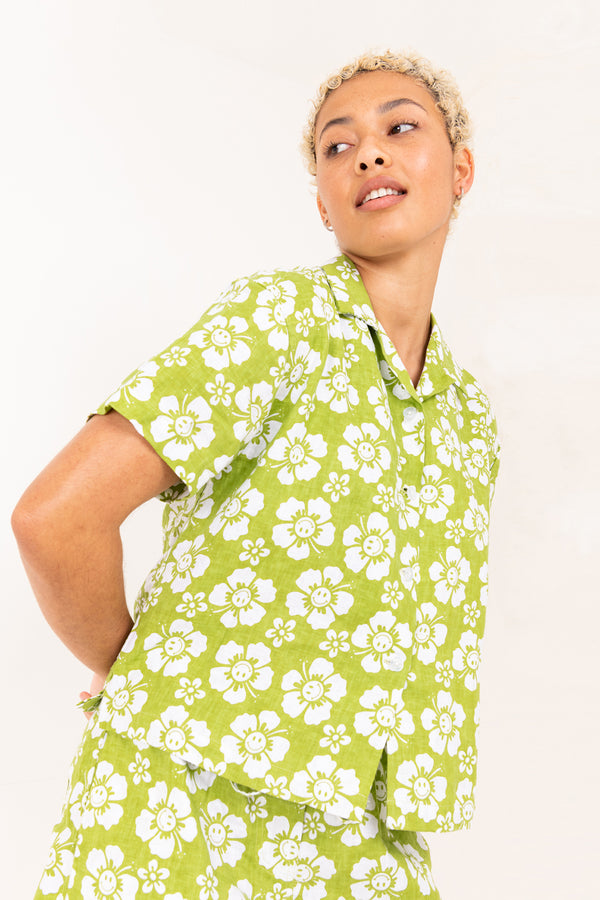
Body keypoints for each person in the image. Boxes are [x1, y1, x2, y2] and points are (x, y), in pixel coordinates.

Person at [13, 49, 500, 900]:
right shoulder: (280, 324)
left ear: (459, 170)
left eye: (399, 128)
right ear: (321, 202)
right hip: (182, 809)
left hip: (366, 839)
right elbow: (55, 518)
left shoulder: (469, 422)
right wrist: (138, 670)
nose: (369, 155)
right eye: (337, 147)